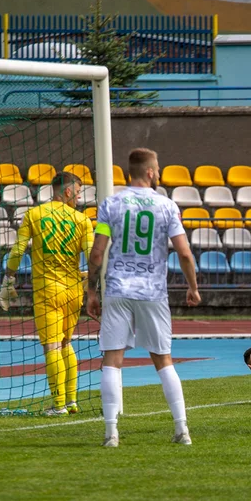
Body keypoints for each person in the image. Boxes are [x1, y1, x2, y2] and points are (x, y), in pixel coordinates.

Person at [86, 148, 201, 447]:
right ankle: (182, 429)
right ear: (150, 172)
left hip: (118, 289)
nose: (159, 172)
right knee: (164, 360)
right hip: (152, 291)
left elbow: (97, 252)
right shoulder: (167, 206)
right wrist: (193, 287)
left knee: (112, 359)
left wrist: (91, 291)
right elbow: (185, 253)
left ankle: (111, 432)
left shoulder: (111, 204)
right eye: (158, 168)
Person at [0, 171, 93, 416]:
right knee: (66, 343)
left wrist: (8, 278)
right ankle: (71, 401)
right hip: (74, 291)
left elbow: (18, 250)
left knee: (51, 347)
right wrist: (92, 281)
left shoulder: (35, 214)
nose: (79, 198)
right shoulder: (82, 220)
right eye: (79, 192)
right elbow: (94, 256)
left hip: (47, 290)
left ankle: (58, 405)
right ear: (68, 191)